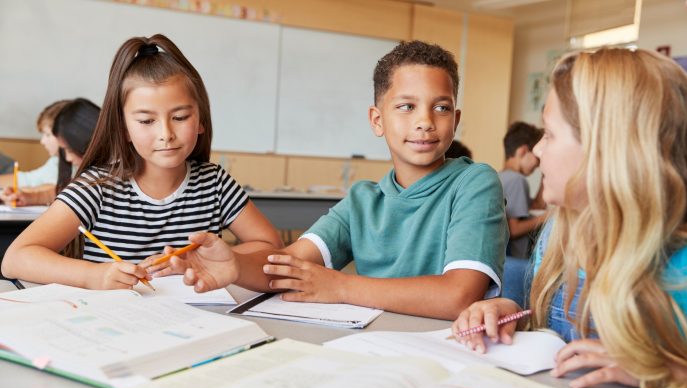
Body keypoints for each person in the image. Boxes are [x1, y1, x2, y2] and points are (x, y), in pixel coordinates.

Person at [164, 41, 508, 320]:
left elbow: (458, 295)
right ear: (377, 120)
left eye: (441, 108)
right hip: (374, 346)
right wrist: (235, 265)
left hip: (448, 351)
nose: (425, 121)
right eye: (406, 106)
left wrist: (341, 287)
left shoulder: (474, 182)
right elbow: (287, 266)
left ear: (456, 119)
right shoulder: (363, 200)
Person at [452, 48, 687, 388]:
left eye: (549, 136)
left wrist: (666, 371)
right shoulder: (559, 233)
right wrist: (514, 315)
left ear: (607, 152)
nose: (537, 151)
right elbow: (554, 332)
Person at [1, 34, 282, 289]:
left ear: (201, 121)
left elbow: (271, 246)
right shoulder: (98, 187)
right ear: (123, 128)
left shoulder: (214, 182)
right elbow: (15, 258)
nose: (166, 134)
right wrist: (94, 275)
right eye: (147, 121)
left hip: (196, 323)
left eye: (180, 117)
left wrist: (216, 259)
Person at [0, 98, 99, 207]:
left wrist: (31, 195)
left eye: (47, 134)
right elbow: (58, 188)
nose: (42, 141)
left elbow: (68, 189)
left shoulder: (95, 172)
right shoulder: (57, 162)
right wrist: (29, 197)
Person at [499, 121, 546, 259]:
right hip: (516, 258)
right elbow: (513, 229)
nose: (538, 165)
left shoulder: (501, 176)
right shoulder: (517, 180)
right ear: (523, 151)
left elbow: (537, 206)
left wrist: (545, 172)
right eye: (537, 159)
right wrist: (549, 216)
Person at [0, 100, 69, 189]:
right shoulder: (55, 161)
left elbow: (57, 190)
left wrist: (27, 195)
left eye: (47, 134)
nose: (42, 141)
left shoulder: (78, 165)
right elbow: (29, 179)